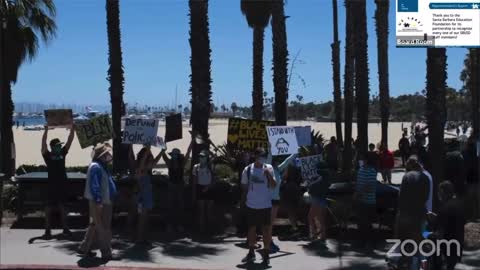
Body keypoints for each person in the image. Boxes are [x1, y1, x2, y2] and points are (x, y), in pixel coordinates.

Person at [78, 143, 117, 260]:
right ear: (101, 156)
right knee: (102, 227)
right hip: (100, 201)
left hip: (104, 200)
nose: (108, 156)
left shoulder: (101, 165)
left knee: (95, 224)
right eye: (106, 154)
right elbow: (94, 186)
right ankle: (106, 252)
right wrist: (98, 201)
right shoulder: (96, 167)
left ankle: (84, 247)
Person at [241, 148, 277, 265]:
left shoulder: (269, 168)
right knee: (251, 229)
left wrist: (268, 175)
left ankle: (266, 254)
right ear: (255, 156)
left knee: (265, 230)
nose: (262, 158)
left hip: (265, 204)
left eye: (264, 156)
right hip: (251, 204)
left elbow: (273, 185)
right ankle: (251, 253)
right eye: (260, 156)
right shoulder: (247, 169)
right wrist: (247, 198)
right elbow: (244, 186)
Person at [41, 124, 75, 239]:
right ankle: (47, 230)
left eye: (59, 146)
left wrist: (72, 130)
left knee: (63, 207)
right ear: (52, 147)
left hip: (62, 184)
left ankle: (65, 228)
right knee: (48, 208)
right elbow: (43, 144)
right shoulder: (48, 155)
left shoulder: (62, 154)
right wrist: (46, 131)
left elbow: (70, 141)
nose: (59, 147)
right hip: (52, 185)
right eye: (57, 146)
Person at [429, 181, 466, 270]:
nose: (438, 195)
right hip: (458, 246)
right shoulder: (459, 205)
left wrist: (426, 234)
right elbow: (452, 222)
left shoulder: (444, 209)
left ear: (443, 192)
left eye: (439, 192)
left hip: (447, 249)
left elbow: (440, 235)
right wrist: (437, 218)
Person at [395, 157, 430, 245]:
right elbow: (426, 197)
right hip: (419, 212)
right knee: (418, 238)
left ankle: (406, 255)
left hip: (406, 212)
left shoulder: (406, 176)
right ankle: (418, 257)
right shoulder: (426, 177)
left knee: (405, 239)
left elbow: (401, 195)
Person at [161, 141, 192, 232]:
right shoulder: (170, 163)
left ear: (178, 155)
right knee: (170, 205)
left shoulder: (182, 163)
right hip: (171, 185)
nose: (174, 156)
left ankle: (179, 224)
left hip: (179, 185)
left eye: (176, 154)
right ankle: (170, 224)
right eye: (173, 154)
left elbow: (188, 152)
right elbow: (163, 155)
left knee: (180, 205)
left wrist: (192, 140)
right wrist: (163, 145)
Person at [268, 152, 296, 252]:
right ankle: (269, 243)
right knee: (269, 223)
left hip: (276, 199)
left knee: (270, 223)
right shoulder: (268, 169)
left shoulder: (278, 169)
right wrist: (270, 149)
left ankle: (268, 241)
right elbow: (269, 158)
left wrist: (295, 152)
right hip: (268, 200)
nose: (278, 162)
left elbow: (287, 161)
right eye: (276, 161)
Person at [135, 144, 163, 244]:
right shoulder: (140, 170)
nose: (152, 161)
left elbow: (155, 161)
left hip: (147, 196)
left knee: (145, 218)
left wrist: (162, 151)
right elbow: (143, 162)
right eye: (150, 159)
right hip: (142, 197)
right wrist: (148, 149)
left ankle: (143, 238)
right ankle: (139, 238)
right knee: (142, 219)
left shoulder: (147, 171)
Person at [353, 154, 377, 247]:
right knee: (361, 222)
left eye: (362, 159)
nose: (361, 161)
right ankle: (362, 240)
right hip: (360, 200)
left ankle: (368, 241)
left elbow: (369, 186)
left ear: (367, 160)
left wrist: (358, 193)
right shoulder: (361, 170)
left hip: (368, 201)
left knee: (366, 222)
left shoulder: (372, 171)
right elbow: (359, 183)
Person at [307, 158, 331, 242]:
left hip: (317, 198)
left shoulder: (321, 177)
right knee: (320, 218)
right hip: (322, 198)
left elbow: (312, 187)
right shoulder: (326, 176)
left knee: (311, 217)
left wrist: (309, 184)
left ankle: (314, 234)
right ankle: (322, 235)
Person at [192, 150, 215, 234]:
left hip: (209, 189)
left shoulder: (210, 166)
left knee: (209, 210)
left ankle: (210, 229)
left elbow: (213, 179)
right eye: (200, 156)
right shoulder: (196, 167)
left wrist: (208, 187)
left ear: (206, 158)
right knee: (201, 211)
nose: (201, 158)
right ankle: (202, 230)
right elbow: (194, 181)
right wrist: (194, 193)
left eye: (203, 156)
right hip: (200, 188)